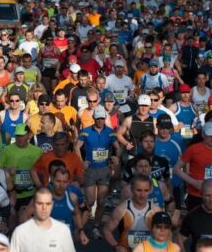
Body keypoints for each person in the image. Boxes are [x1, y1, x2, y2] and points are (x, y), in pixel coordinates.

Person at [75, 105, 118, 236]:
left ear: (105, 118)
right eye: (97, 118)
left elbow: (118, 147)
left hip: (104, 169)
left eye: (102, 118)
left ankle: (96, 226)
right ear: (93, 118)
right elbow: (76, 147)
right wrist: (82, 162)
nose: (100, 121)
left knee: (102, 201)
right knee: (90, 201)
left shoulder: (110, 132)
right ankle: (81, 226)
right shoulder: (86, 132)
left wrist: (115, 158)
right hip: (91, 170)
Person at [174, 122, 212, 211]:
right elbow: (176, 169)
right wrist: (193, 182)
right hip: (196, 195)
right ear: (203, 135)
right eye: (210, 135)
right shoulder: (193, 149)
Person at [104, 174, 162, 251]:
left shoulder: (156, 210)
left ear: (151, 190)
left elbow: (166, 233)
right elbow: (107, 230)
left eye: (146, 190)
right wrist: (116, 246)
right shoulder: (121, 209)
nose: (142, 195)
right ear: (131, 189)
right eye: (138, 190)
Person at [9, 188, 75, 252]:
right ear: (34, 204)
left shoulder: (63, 231)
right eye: (40, 203)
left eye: (48, 204)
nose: (44, 208)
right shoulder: (20, 232)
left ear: (52, 205)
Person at [179, 180, 212, 252]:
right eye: (208, 195)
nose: (211, 199)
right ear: (201, 194)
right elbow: (179, 239)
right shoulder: (191, 217)